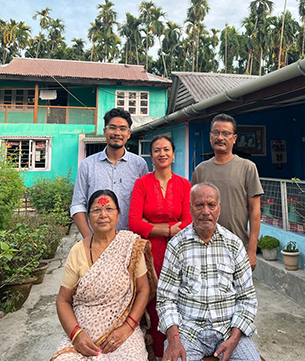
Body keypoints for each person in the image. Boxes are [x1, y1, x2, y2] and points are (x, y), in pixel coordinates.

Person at [156, 183, 261, 361]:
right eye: (199, 205)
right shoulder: (177, 245)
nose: (206, 211)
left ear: (219, 208)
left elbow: (247, 298)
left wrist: (235, 338)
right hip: (188, 331)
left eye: (211, 205)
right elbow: (166, 298)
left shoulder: (234, 244)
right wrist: (173, 338)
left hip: (229, 328)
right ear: (190, 208)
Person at [50, 189, 157, 361]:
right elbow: (63, 300)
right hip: (83, 332)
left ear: (118, 214)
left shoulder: (130, 245)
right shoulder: (77, 251)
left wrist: (128, 327)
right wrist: (76, 334)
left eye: (109, 209)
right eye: (96, 210)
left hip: (122, 330)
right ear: (88, 216)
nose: (103, 215)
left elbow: (144, 290)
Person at [129, 135, 192, 358]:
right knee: (154, 300)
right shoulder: (142, 184)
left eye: (166, 149)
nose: (162, 153)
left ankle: (180, 347)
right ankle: (156, 351)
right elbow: (134, 221)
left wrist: (152, 225)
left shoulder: (184, 184)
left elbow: (188, 221)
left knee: (180, 297)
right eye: (157, 150)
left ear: (173, 155)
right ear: (151, 156)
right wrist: (167, 230)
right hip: (149, 252)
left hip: (180, 251)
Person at [191, 113, 263, 270]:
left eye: (226, 133)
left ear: (234, 138)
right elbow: (193, 209)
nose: (220, 137)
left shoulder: (247, 167)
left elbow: (255, 211)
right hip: (204, 247)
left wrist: (251, 250)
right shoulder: (201, 170)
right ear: (210, 137)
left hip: (237, 247)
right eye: (216, 132)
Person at [71, 108, 148, 237]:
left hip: (130, 241)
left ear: (129, 134)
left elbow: (146, 205)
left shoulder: (139, 165)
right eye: (112, 128)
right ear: (105, 131)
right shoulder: (88, 165)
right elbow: (78, 205)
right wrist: (90, 240)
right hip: (96, 240)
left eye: (122, 129)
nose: (117, 133)